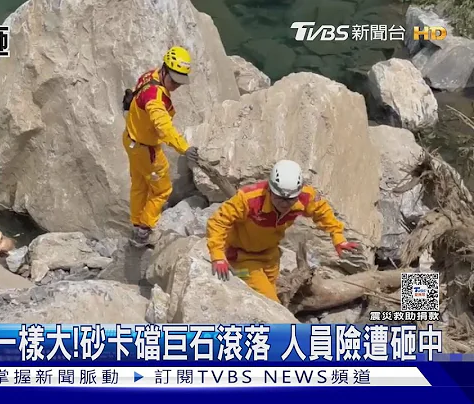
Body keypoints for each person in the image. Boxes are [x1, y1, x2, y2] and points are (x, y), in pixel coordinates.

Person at [205, 159, 360, 303]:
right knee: (270, 301)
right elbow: (218, 221)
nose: (285, 204)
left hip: (270, 255)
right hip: (241, 257)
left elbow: (323, 211)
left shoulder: (306, 197)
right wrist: (217, 256)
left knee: (272, 288)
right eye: (279, 198)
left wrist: (338, 238)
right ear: (270, 190)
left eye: (290, 199)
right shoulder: (249, 199)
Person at [122, 46, 199, 247]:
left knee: (139, 185)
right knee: (162, 190)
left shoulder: (150, 76)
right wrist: (185, 148)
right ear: (165, 70)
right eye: (173, 81)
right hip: (147, 150)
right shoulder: (155, 100)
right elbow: (164, 127)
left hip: (131, 140)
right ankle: (144, 230)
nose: (175, 86)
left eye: (179, 82)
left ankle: (136, 223)